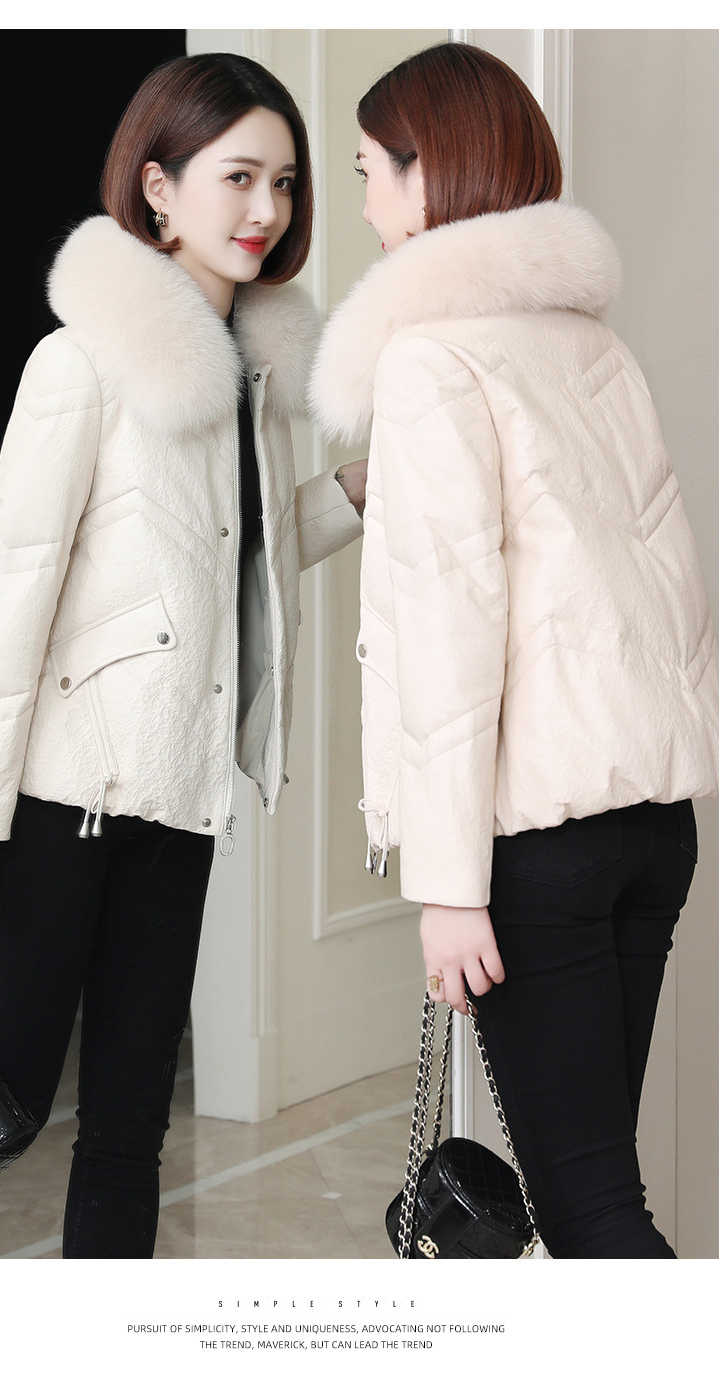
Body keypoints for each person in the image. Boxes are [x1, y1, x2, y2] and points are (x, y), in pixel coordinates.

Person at [0, 51, 366, 1258]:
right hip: (63, 801)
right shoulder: (81, 363)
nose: (267, 208)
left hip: (182, 798)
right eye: (239, 176)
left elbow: (235, 565)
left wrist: (347, 495)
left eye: (285, 181)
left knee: (129, 1128)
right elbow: (9, 591)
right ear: (159, 187)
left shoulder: (251, 381)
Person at [311, 41, 719, 1259]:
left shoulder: (428, 356)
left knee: (591, 1213)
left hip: (536, 842)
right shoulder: (591, 343)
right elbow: (662, 578)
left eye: (370, 173)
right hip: (650, 823)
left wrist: (447, 886)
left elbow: (451, 628)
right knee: (587, 1192)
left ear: (429, 169)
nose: (366, 208)